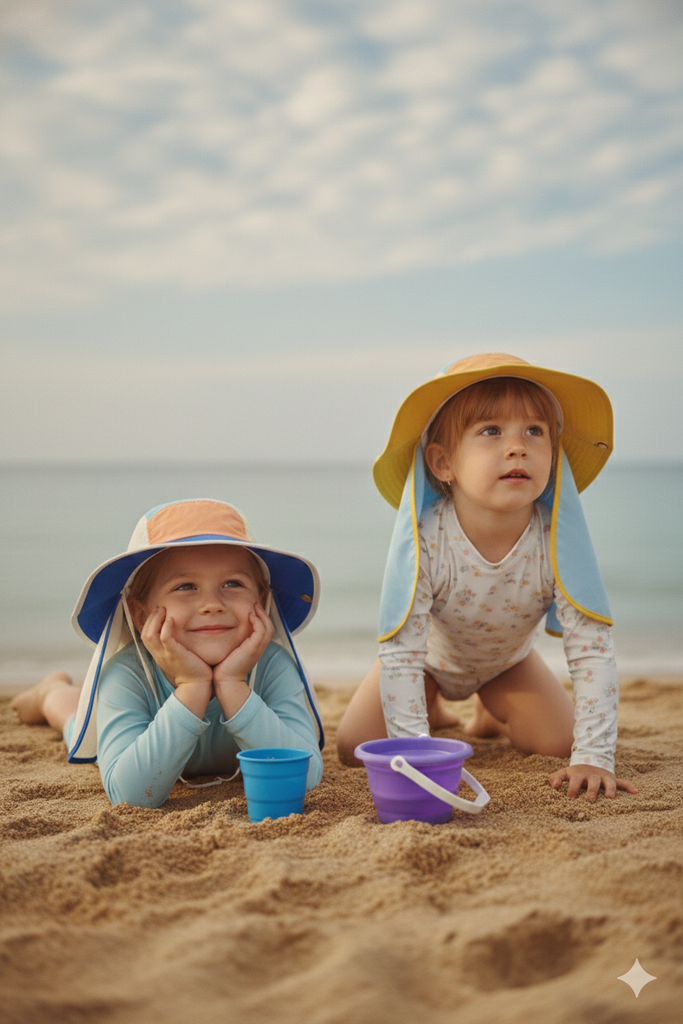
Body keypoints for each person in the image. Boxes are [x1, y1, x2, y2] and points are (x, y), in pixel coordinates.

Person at [337, 353, 638, 803]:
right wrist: (419, 753)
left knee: (560, 745)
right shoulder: (427, 538)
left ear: (553, 457)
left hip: (507, 663)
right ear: (442, 464)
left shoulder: (556, 538)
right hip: (426, 664)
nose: (517, 446)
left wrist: (595, 754)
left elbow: (591, 646)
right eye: (491, 431)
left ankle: (488, 714)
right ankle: (435, 706)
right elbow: (401, 651)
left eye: (534, 431)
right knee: (351, 747)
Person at [12, 498, 324, 808]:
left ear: (263, 602)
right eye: (185, 586)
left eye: (233, 583)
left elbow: (307, 776)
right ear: (140, 614)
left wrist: (233, 684)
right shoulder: (128, 674)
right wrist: (192, 686)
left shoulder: (273, 667)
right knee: (74, 718)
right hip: (124, 722)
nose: (212, 604)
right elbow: (130, 796)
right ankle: (49, 692)